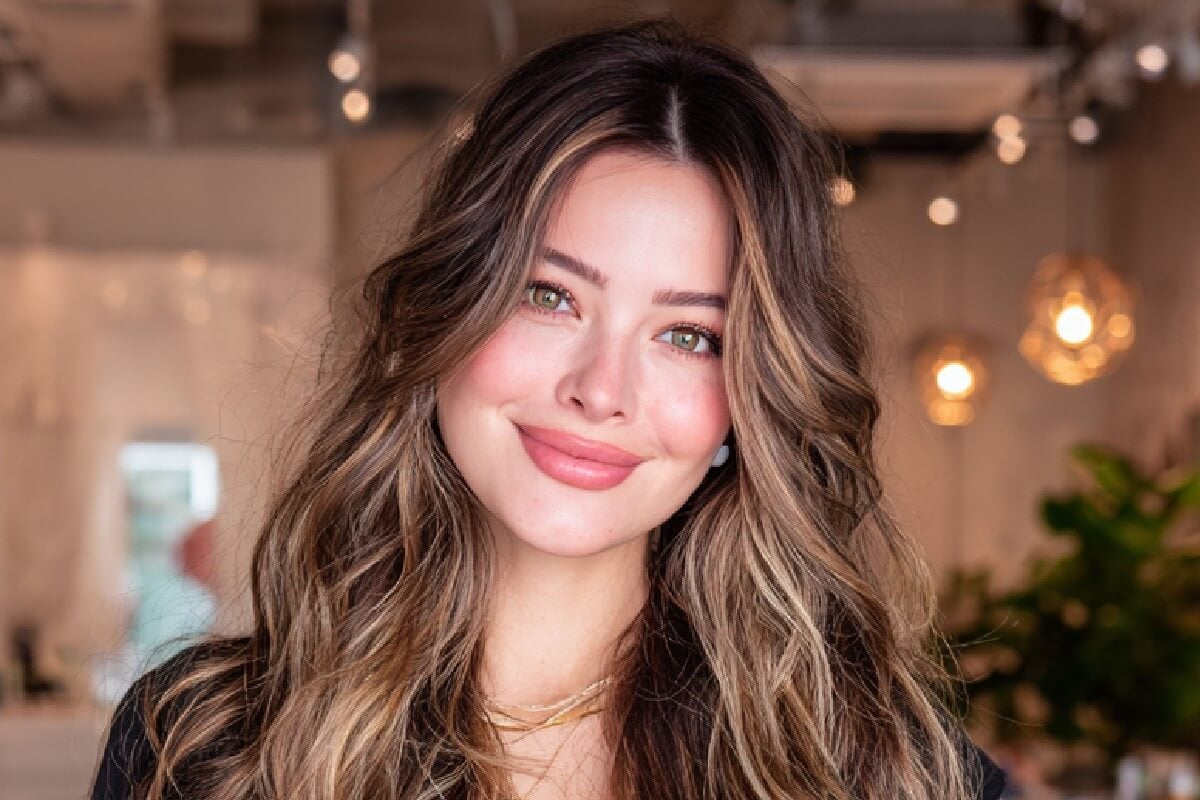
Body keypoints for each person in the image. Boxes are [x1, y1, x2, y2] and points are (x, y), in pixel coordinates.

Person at [92, 19, 1007, 800]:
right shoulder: (205, 747)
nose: (601, 390)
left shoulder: (880, 768)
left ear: (748, 401)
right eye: (550, 296)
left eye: (690, 336)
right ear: (448, 307)